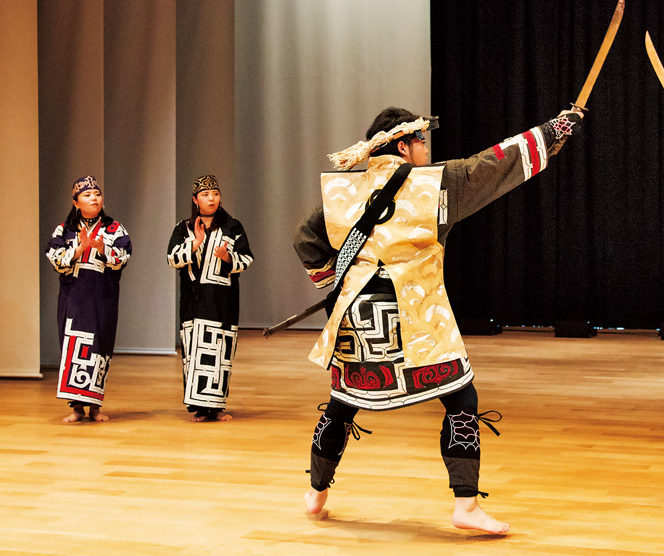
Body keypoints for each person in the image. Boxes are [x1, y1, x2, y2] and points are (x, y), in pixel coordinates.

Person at [293, 106, 583, 534]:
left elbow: (306, 237)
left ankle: (316, 494)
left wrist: (331, 279)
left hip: (359, 318)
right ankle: (466, 505)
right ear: (402, 146)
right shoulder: (436, 184)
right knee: (461, 399)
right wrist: (553, 130)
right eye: (420, 140)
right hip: (415, 317)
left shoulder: (344, 190)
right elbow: (493, 164)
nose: (425, 148)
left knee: (342, 402)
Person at [167, 175, 253, 422]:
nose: (211, 199)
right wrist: (195, 243)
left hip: (223, 300)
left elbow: (247, 258)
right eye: (205, 195)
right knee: (194, 352)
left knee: (220, 352)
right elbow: (172, 259)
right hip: (193, 300)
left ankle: (217, 406)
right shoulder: (182, 228)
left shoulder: (233, 226)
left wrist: (227, 258)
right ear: (195, 200)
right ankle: (200, 407)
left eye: (215, 193)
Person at [46, 176, 131, 423]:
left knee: (99, 349)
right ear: (76, 202)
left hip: (102, 297)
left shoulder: (115, 228)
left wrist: (103, 250)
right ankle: (76, 408)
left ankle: (95, 406)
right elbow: (55, 257)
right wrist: (79, 249)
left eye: (97, 194)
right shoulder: (64, 229)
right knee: (73, 348)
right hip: (73, 298)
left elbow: (123, 257)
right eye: (87, 195)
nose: (94, 198)